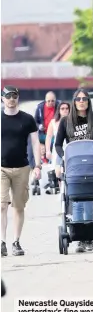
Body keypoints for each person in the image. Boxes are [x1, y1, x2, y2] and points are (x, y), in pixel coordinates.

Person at [55, 89, 93, 253]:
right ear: (74, 101)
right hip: (74, 167)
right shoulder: (66, 122)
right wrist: (62, 156)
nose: (81, 101)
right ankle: (79, 238)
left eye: (84, 98)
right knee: (77, 202)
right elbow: (58, 144)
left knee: (90, 202)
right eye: (78, 99)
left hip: (91, 166)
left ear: (88, 101)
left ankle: (88, 237)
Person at [1, 86, 42, 257]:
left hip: (22, 167)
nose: (11, 99)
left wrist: (38, 165)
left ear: (18, 98)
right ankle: (2, 242)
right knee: (2, 205)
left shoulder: (27, 119)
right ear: (2, 98)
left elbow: (35, 143)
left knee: (18, 206)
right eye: (8, 96)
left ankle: (16, 242)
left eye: (14, 96)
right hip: (1, 167)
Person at [45, 102, 71, 178]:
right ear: (59, 110)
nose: (65, 110)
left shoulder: (73, 121)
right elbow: (49, 137)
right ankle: (60, 187)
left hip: (70, 148)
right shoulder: (53, 122)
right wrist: (47, 151)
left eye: (67, 108)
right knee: (58, 171)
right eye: (62, 108)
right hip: (58, 149)